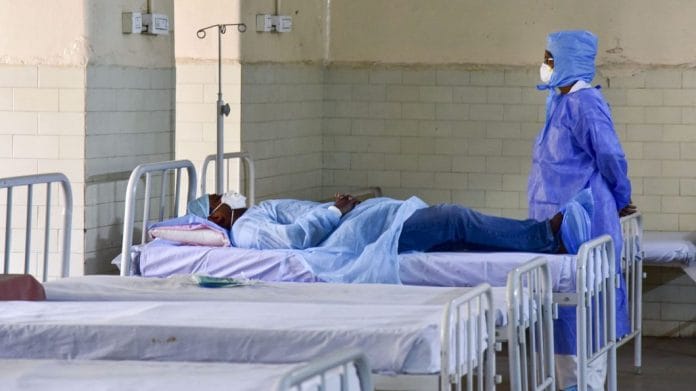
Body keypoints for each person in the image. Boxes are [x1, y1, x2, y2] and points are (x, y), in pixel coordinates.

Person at [531, 30, 637, 391]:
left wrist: (622, 198)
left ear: (568, 61)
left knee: (586, 303)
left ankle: (585, 385)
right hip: (555, 220)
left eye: (550, 58)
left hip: (586, 220)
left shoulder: (586, 103)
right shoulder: (557, 103)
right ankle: (569, 384)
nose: (545, 65)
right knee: (562, 306)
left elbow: (610, 156)